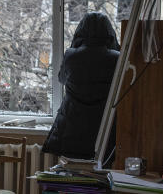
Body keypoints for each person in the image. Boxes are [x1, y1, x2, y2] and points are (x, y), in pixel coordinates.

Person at [42, 12, 120, 161]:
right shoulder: (117, 58)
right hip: (103, 132)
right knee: (100, 179)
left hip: (71, 130)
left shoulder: (71, 55)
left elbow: (61, 78)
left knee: (71, 178)